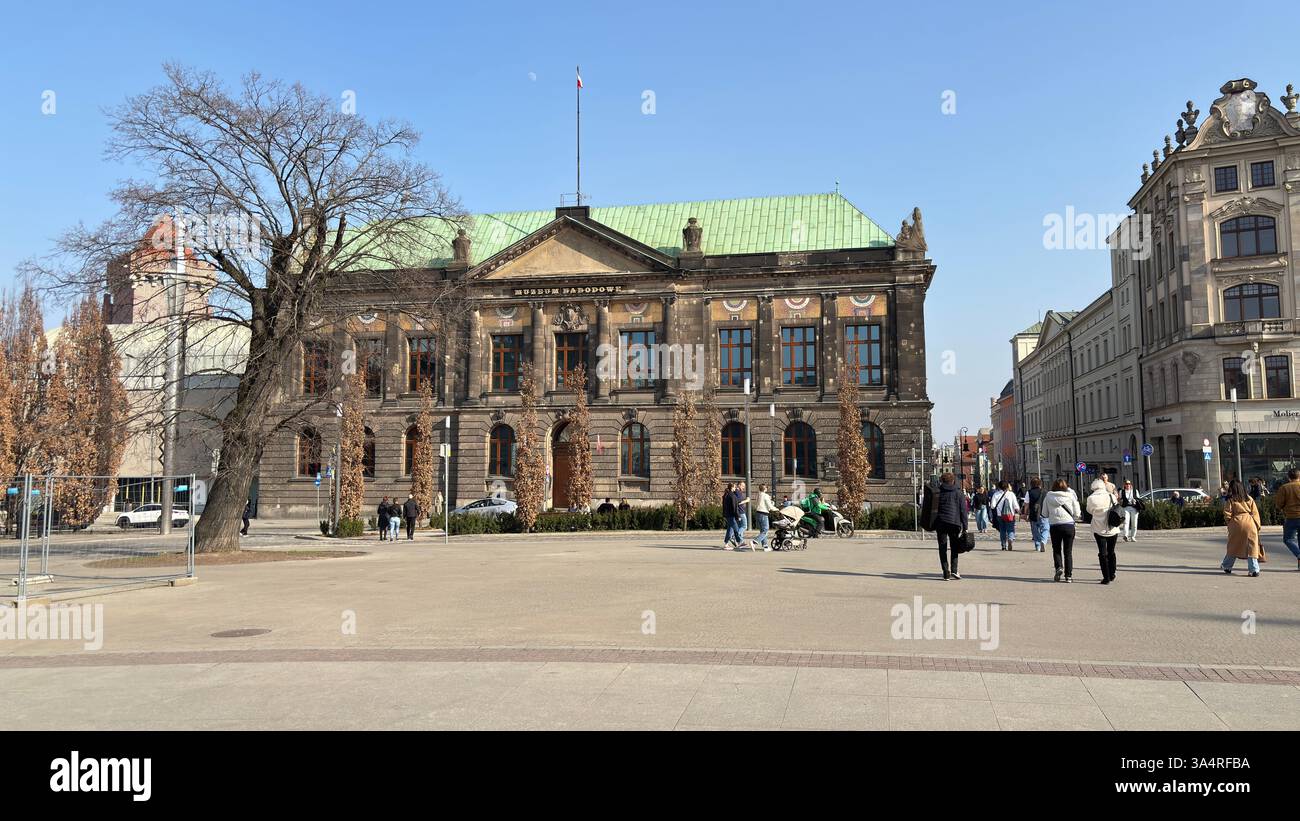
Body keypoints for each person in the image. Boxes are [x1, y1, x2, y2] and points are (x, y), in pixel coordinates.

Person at [1221, 479, 1265, 576]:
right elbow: (1255, 513)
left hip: (1236, 523)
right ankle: (1254, 569)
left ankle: (1227, 566)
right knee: (1251, 547)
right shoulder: (1249, 498)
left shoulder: (1231, 499)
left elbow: (1227, 513)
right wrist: (1257, 526)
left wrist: (1230, 523)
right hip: (1250, 522)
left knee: (1233, 546)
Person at [931, 472, 969, 580]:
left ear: (942, 481)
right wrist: (965, 526)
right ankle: (954, 570)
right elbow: (963, 511)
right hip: (954, 523)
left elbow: (933, 510)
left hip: (941, 523)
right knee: (954, 547)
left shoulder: (937, 492)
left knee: (942, 547)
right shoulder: (959, 493)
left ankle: (945, 571)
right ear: (953, 481)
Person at [1042, 479, 1081, 582]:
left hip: (1055, 526)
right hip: (1068, 525)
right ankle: (1069, 576)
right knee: (1068, 552)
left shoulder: (1048, 497)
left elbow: (1044, 513)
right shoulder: (1070, 496)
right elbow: (1077, 513)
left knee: (1056, 549)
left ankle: (1059, 567)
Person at [1085, 478, 1121, 584]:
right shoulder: (1111, 496)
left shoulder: (1091, 498)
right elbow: (1116, 507)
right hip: (1112, 528)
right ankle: (1112, 573)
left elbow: (1089, 510)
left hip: (1099, 528)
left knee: (1102, 553)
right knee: (1111, 551)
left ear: (1093, 488)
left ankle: (1106, 577)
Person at [1273, 469, 1300, 570]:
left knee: (1288, 539)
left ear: (1288, 477)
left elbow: (1279, 504)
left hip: (1291, 517)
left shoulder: (1284, 488)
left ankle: (1299, 554)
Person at [989, 481, 1020, 550]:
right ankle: (1010, 539)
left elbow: (992, 506)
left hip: (1000, 515)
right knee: (1010, 529)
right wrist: (1020, 512)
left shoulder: (996, 494)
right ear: (1007, 486)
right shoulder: (1011, 494)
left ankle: (1003, 545)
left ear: (999, 487)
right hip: (1010, 515)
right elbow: (1016, 506)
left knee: (1002, 530)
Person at [1025, 478, 1047, 552]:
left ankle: (1037, 545)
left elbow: (1026, 504)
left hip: (1033, 514)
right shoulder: (1045, 492)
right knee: (1045, 528)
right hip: (1044, 514)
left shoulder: (1029, 492)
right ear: (1040, 484)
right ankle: (1043, 541)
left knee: (1035, 530)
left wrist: (1026, 514)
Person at [753, 483, 775, 551]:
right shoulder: (766, 496)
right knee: (765, 530)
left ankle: (765, 546)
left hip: (758, 513)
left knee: (762, 530)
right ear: (765, 489)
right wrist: (776, 509)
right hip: (763, 514)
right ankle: (754, 541)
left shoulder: (758, 495)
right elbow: (770, 506)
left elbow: (757, 503)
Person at [721, 483, 738, 549]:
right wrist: (737, 516)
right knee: (736, 529)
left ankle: (726, 544)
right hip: (731, 515)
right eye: (734, 487)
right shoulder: (731, 495)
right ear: (732, 487)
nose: (735, 488)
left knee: (729, 529)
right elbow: (734, 507)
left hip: (728, 515)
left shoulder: (727, 494)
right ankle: (740, 542)